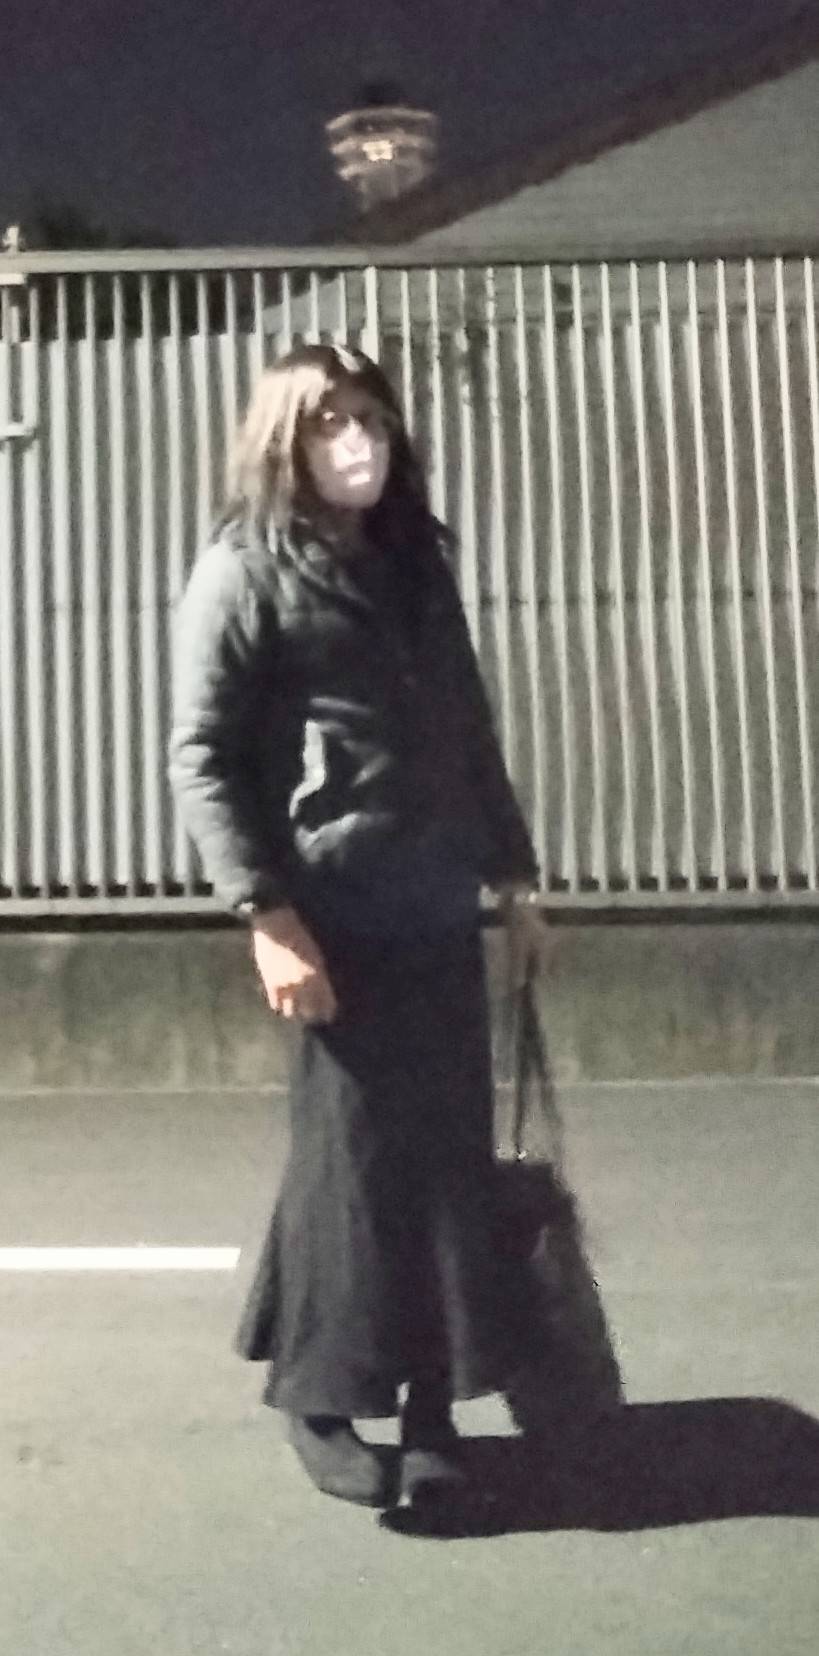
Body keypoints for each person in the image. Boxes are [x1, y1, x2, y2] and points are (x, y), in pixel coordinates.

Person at [168, 343, 547, 1509]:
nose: (358, 443)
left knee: (441, 1157)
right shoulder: (242, 570)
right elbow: (202, 758)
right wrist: (266, 915)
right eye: (331, 422)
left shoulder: (415, 561)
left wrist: (515, 880)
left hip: (436, 898)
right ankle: (324, 1396)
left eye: (372, 420)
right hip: (332, 912)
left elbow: (467, 725)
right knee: (358, 1160)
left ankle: (430, 1405)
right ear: (285, 440)